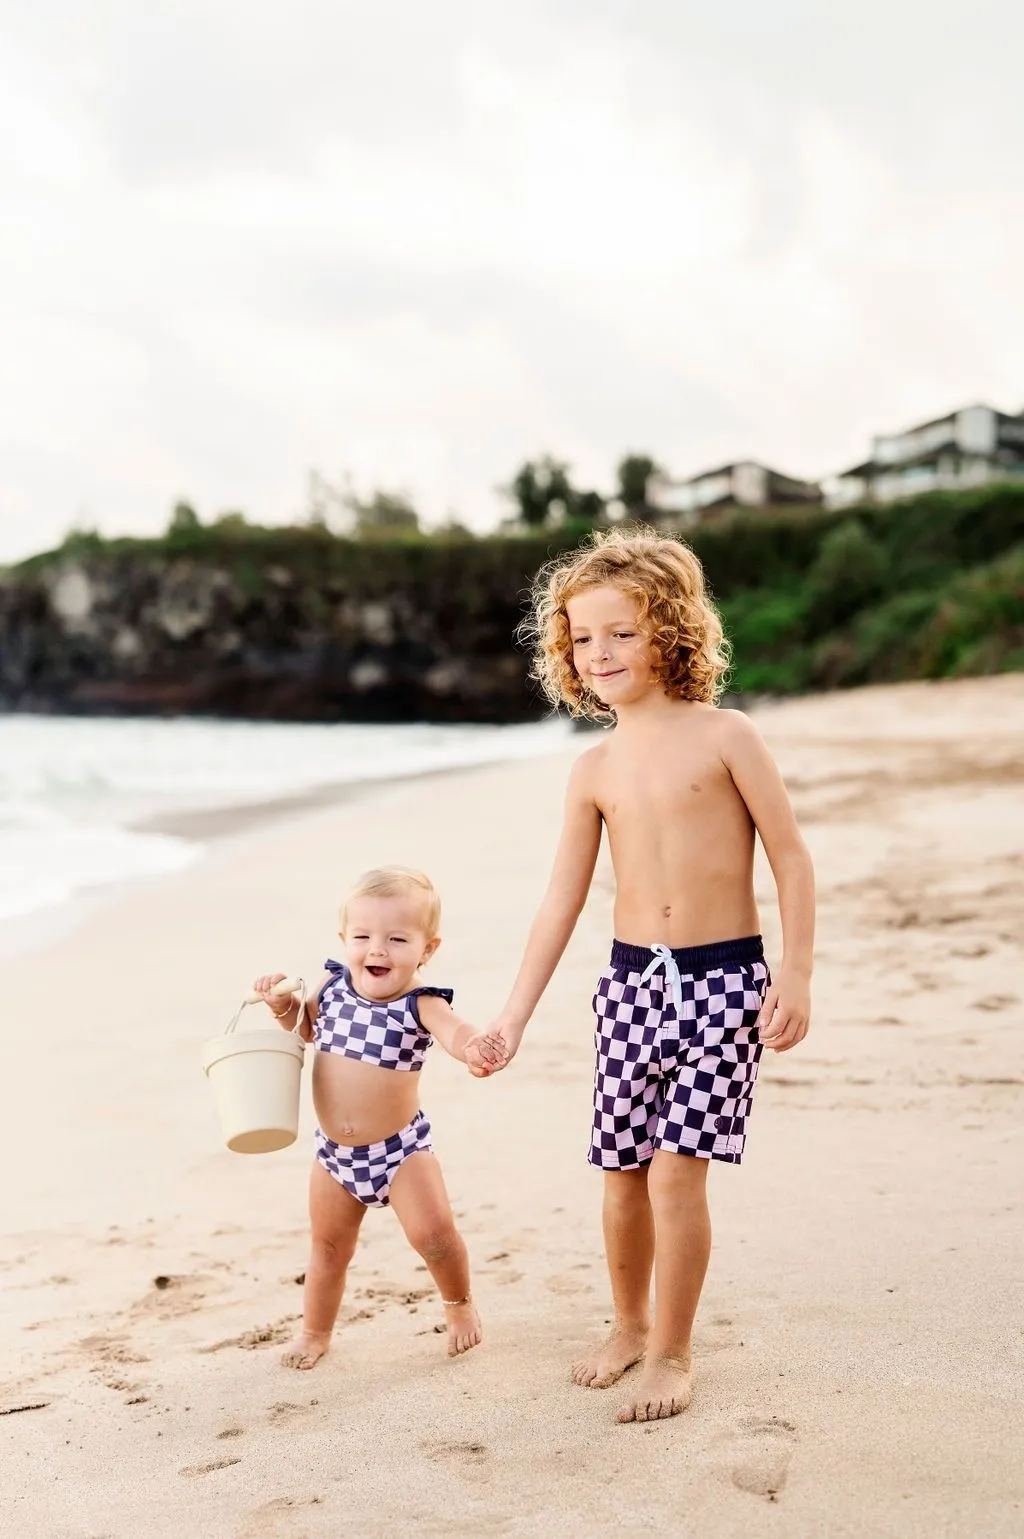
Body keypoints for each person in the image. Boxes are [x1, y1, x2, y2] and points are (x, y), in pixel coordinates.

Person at [480, 527, 815, 1423]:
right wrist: (511, 1017)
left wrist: (796, 975)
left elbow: (790, 858)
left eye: (622, 632)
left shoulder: (727, 735)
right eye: (584, 638)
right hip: (631, 988)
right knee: (621, 1169)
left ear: (669, 630)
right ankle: (628, 1325)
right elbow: (560, 901)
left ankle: (672, 1350)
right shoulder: (593, 768)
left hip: (724, 986)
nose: (601, 653)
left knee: (675, 1173)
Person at [254, 865, 492, 1368]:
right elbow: (305, 1029)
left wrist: (474, 1048)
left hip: (400, 1151)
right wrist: (281, 1005)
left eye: (397, 939)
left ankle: (460, 1306)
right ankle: (315, 1332)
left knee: (435, 1235)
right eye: (362, 936)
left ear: (428, 949)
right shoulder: (334, 989)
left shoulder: (420, 1003)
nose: (376, 949)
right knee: (328, 1248)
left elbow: (454, 1031)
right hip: (335, 1156)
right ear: (344, 939)